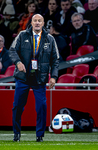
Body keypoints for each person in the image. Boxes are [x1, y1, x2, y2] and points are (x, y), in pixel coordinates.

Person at [9, 14, 59, 142]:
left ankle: (40, 135)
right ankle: (16, 133)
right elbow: (12, 51)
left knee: (41, 106)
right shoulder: (22, 35)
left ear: (43, 23)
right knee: (17, 106)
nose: (37, 23)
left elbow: (55, 60)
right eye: (35, 21)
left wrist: (53, 76)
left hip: (40, 78)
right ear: (31, 22)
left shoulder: (50, 39)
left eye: (39, 21)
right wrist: (18, 63)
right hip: (23, 77)